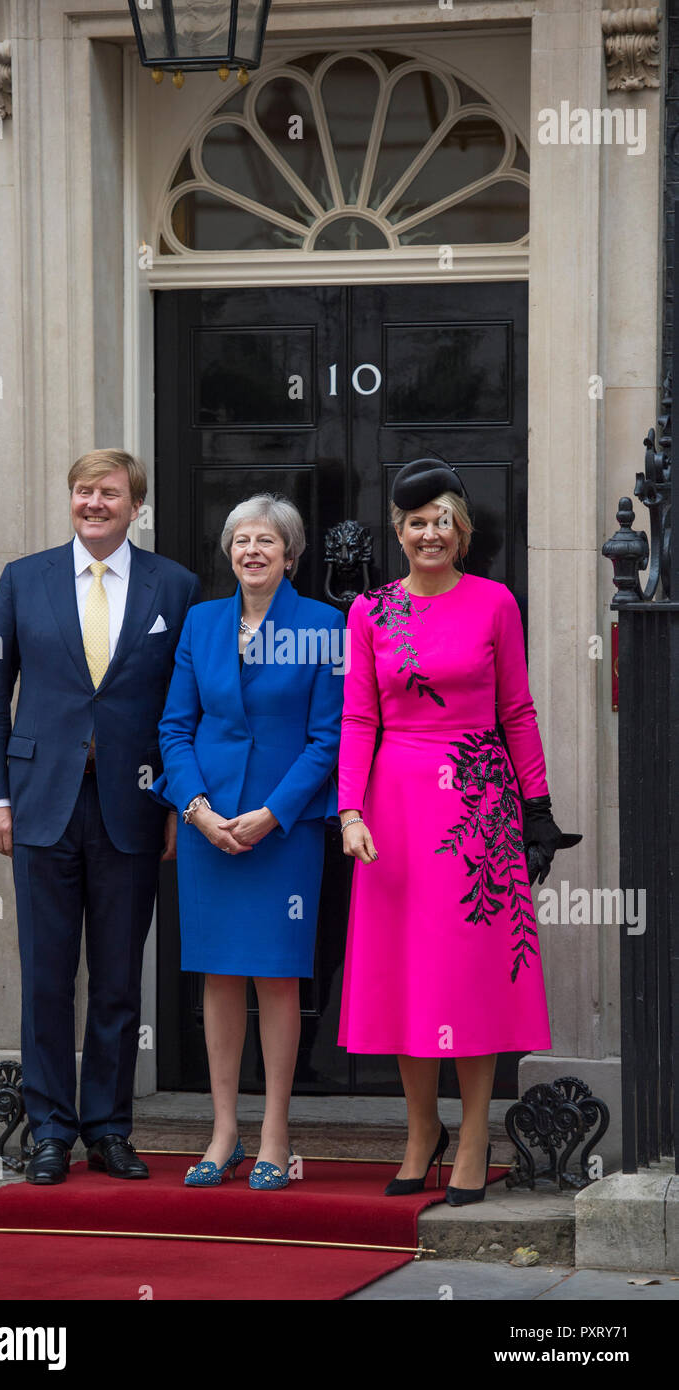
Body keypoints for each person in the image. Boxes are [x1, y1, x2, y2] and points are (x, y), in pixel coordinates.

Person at [337, 456, 579, 1203]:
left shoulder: (494, 603)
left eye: (442, 521)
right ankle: (421, 1130)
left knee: (468, 976)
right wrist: (349, 811)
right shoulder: (370, 612)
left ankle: (474, 1136)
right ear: (399, 533)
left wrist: (536, 810)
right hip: (395, 808)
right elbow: (358, 716)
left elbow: (517, 713)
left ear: (461, 532)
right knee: (408, 974)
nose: (428, 534)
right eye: (415, 523)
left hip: (479, 805)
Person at [0, 449, 201, 1184]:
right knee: (44, 977)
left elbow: (182, 709)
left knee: (115, 980)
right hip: (40, 805)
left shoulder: (176, 585)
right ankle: (48, 1132)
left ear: (137, 505)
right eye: (81, 492)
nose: (93, 504)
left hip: (130, 808)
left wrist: (173, 802)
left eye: (108, 493)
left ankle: (107, 1128)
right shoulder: (24, 579)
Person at [148, 494, 345, 1190]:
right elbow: (175, 727)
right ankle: (224, 1129)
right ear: (229, 553)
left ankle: (274, 1132)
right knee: (219, 974)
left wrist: (272, 814)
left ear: (289, 555)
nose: (252, 552)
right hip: (209, 826)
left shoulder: (325, 625)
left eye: (266, 541)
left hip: (281, 831)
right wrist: (197, 810)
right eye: (241, 541)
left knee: (277, 975)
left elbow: (329, 740)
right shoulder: (202, 623)